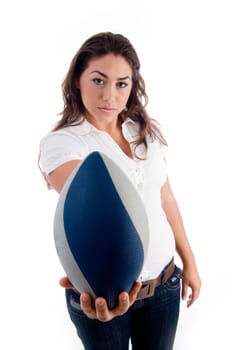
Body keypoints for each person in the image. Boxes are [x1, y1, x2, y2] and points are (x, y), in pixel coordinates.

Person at [39, 32, 201, 350]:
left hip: (165, 284)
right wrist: (101, 285)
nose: (109, 96)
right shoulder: (63, 144)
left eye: (121, 84)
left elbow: (165, 198)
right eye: (98, 81)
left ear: (132, 86)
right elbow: (93, 214)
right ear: (76, 81)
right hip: (105, 293)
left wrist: (190, 263)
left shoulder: (144, 131)